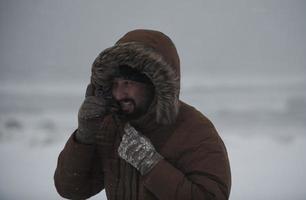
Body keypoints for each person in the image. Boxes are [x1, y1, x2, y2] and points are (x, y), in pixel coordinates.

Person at [54, 29, 231, 200]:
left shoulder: (195, 131)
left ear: (155, 84)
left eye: (128, 83)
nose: (119, 94)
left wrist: (151, 164)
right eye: (114, 84)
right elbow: (71, 189)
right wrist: (84, 137)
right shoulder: (111, 127)